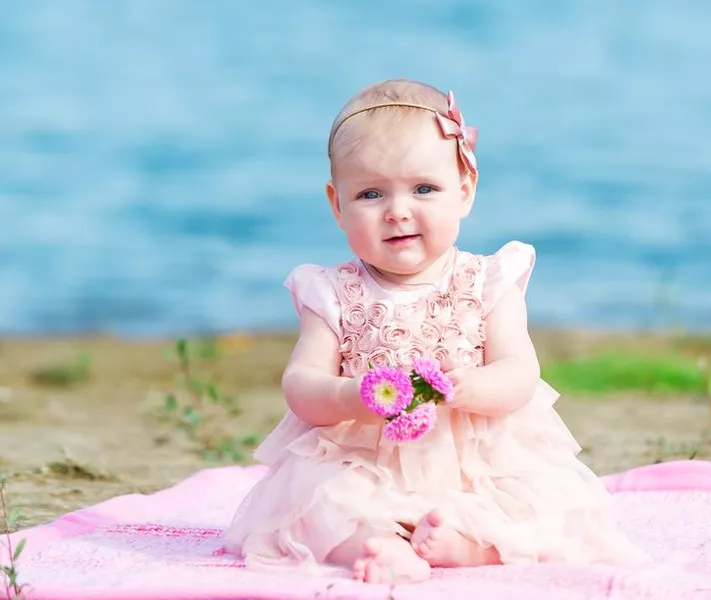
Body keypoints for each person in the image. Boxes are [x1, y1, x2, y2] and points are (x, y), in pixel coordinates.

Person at [225, 78, 648, 584]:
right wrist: (347, 396)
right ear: (337, 206)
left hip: (474, 464)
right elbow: (300, 384)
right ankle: (378, 545)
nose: (398, 210)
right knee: (319, 501)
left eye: (424, 188)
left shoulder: (488, 280)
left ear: (464, 191)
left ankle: (466, 546)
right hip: (363, 461)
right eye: (370, 193)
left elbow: (520, 372)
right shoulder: (333, 294)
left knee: (538, 507)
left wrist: (471, 386)